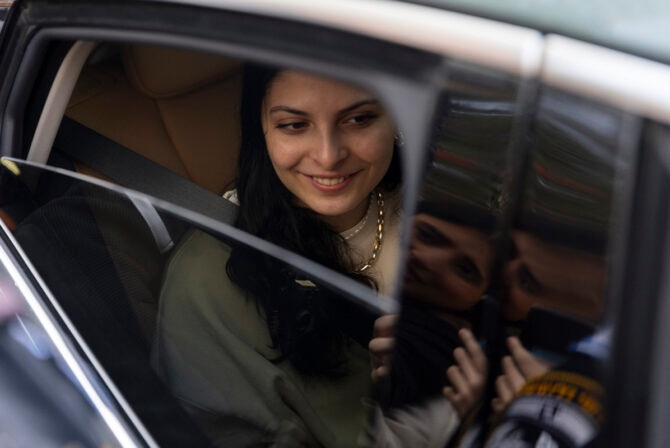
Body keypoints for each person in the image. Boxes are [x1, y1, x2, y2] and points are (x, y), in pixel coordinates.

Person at [151, 65, 403, 447]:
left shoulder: (446, 210)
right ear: (262, 130)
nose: (328, 155)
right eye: (294, 125)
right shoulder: (210, 280)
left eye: (358, 119)